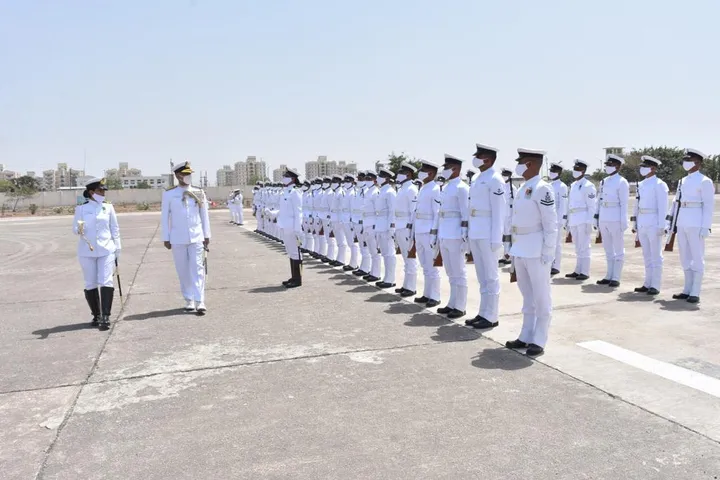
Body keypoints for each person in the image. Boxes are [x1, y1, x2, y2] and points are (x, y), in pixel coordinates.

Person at [505, 148, 558, 356]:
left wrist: (548, 251)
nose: (518, 166)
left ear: (532, 165)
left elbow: (550, 223)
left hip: (537, 249)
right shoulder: (523, 188)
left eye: (522, 162)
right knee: (527, 296)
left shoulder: (542, 188)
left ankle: (539, 339)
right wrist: (512, 248)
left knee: (541, 296)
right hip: (521, 248)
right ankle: (526, 335)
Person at [161, 161, 211, 314]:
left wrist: (207, 235)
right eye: (185, 174)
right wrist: (166, 237)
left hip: (196, 237)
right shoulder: (169, 194)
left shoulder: (199, 192)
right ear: (177, 176)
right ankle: (189, 299)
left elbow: (204, 215)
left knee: (198, 269)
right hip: (177, 238)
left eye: (190, 174)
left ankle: (200, 300)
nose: (188, 177)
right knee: (182, 270)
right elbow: (164, 217)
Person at [465, 144, 506, 329]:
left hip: (488, 233)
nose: (476, 159)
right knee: (482, 276)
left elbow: (499, 212)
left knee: (491, 276)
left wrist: (497, 239)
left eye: (479, 156)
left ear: (487, 159)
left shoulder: (495, 179)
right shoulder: (477, 178)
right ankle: (483, 312)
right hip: (476, 231)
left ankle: (492, 315)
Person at [73, 178, 121, 330]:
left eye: (104, 190)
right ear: (91, 192)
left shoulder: (108, 208)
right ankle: (96, 314)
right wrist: (79, 228)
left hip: (106, 249)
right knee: (90, 282)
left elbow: (115, 229)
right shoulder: (81, 209)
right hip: (87, 251)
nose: (103, 193)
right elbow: (75, 229)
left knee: (106, 280)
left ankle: (106, 315)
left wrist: (117, 248)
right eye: (100, 190)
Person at [670, 148, 715, 304]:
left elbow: (709, 206)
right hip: (682, 220)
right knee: (685, 257)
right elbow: (676, 203)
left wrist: (706, 226)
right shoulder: (683, 180)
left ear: (698, 163)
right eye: (685, 160)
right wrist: (671, 223)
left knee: (697, 257)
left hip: (696, 221)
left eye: (689, 161)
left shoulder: (705, 181)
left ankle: (695, 291)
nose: (685, 163)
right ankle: (687, 289)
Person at [434, 154, 470, 319]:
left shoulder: (462, 188)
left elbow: (465, 214)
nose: (444, 171)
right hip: (445, 233)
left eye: (447, 168)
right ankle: (452, 302)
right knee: (450, 271)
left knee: (459, 271)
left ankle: (460, 306)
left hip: (456, 234)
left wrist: (464, 236)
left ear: (455, 169)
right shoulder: (447, 187)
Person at [631, 155, 669, 296]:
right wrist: (635, 222)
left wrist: (662, 225)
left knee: (656, 255)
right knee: (646, 255)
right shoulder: (641, 184)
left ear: (653, 168)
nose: (642, 169)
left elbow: (663, 207)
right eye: (642, 166)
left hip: (654, 222)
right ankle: (647, 283)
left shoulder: (660, 184)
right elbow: (637, 204)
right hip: (642, 222)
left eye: (645, 167)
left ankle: (655, 285)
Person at [596, 154, 629, 287]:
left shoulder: (622, 182)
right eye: (607, 165)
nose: (607, 167)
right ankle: (608, 275)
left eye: (610, 165)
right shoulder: (604, 181)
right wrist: (597, 218)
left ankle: (616, 277)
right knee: (608, 249)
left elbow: (624, 203)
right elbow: (599, 201)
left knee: (618, 249)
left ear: (617, 166)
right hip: (604, 217)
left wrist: (623, 221)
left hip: (615, 217)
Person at [413, 160, 442, 307]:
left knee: (432, 266)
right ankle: (427, 293)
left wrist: (434, 233)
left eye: (423, 170)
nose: (420, 172)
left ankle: (435, 296)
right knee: (424, 265)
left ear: (430, 173)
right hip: (419, 229)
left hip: (428, 231)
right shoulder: (424, 188)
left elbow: (437, 213)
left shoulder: (435, 189)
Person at [565, 159, 596, 281]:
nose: (575, 171)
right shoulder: (573, 185)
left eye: (577, 169)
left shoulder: (588, 186)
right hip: (574, 219)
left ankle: (585, 271)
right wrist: (568, 221)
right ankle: (578, 270)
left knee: (584, 246)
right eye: (574, 169)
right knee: (577, 246)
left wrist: (589, 222)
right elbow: (570, 204)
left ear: (583, 171)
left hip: (583, 218)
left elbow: (591, 206)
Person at [393, 162, 420, 297]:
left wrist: (411, 230)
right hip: (399, 225)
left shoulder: (411, 189)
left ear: (408, 174)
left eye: (401, 173)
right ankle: (406, 285)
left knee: (410, 259)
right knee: (405, 258)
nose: (399, 175)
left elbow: (413, 212)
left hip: (406, 227)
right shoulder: (403, 188)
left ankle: (411, 287)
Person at [277, 168, 304, 288]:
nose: (284, 177)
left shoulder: (295, 192)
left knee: (296, 253)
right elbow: (283, 211)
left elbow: (299, 212)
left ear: (293, 179)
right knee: (290, 252)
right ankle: (293, 277)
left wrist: (298, 229)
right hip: (285, 226)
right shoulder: (285, 192)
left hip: (293, 227)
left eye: (286, 176)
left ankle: (298, 279)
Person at [374, 167, 398, 288]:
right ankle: (386, 278)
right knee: (384, 253)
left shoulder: (390, 192)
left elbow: (393, 211)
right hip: (380, 225)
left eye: (381, 176)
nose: (378, 178)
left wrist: (392, 228)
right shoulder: (381, 191)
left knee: (389, 253)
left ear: (387, 178)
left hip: (387, 226)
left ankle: (391, 279)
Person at [548, 162, 568, 276]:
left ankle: (556, 265)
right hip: (549, 219)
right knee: (549, 243)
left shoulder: (562, 186)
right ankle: (549, 263)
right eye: (551, 171)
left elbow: (563, 205)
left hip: (557, 220)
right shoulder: (549, 185)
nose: (551, 173)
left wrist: (561, 220)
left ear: (559, 173)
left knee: (557, 244)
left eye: (554, 171)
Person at [361, 171, 382, 282]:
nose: (367, 180)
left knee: (375, 250)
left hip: (373, 223)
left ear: (375, 180)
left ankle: (376, 274)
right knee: (371, 250)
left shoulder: (376, 192)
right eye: (366, 178)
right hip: (367, 223)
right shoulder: (368, 191)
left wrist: (376, 225)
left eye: (369, 178)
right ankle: (372, 272)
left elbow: (378, 211)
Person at [340, 174, 360, 271]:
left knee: (353, 244)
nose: (346, 183)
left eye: (348, 181)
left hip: (350, 221)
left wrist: (352, 222)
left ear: (352, 182)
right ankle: (352, 263)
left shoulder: (353, 193)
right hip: (345, 220)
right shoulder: (346, 192)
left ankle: (354, 264)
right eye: (345, 181)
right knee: (349, 243)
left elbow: (353, 210)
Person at [329, 175, 347, 267]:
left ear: (339, 183)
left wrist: (341, 220)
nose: (333, 184)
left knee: (342, 241)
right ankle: (338, 258)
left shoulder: (341, 192)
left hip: (339, 219)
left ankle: (341, 260)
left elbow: (342, 208)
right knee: (339, 241)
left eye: (335, 182)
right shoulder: (335, 192)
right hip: (334, 218)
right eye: (332, 182)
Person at [499, 168, 516, 265]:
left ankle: (510, 255)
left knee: (509, 236)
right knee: (504, 236)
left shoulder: (512, 188)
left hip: (510, 215)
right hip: (503, 215)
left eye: (505, 174)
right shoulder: (501, 186)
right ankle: (505, 254)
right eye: (503, 174)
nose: (503, 175)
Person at [300, 180, 314, 254]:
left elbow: (311, 207)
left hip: (309, 216)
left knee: (309, 234)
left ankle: (309, 248)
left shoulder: (310, 195)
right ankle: (305, 246)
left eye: (305, 185)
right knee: (305, 233)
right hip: (304, 216)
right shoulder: (302, 194)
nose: (303, 186)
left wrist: (312, 218)